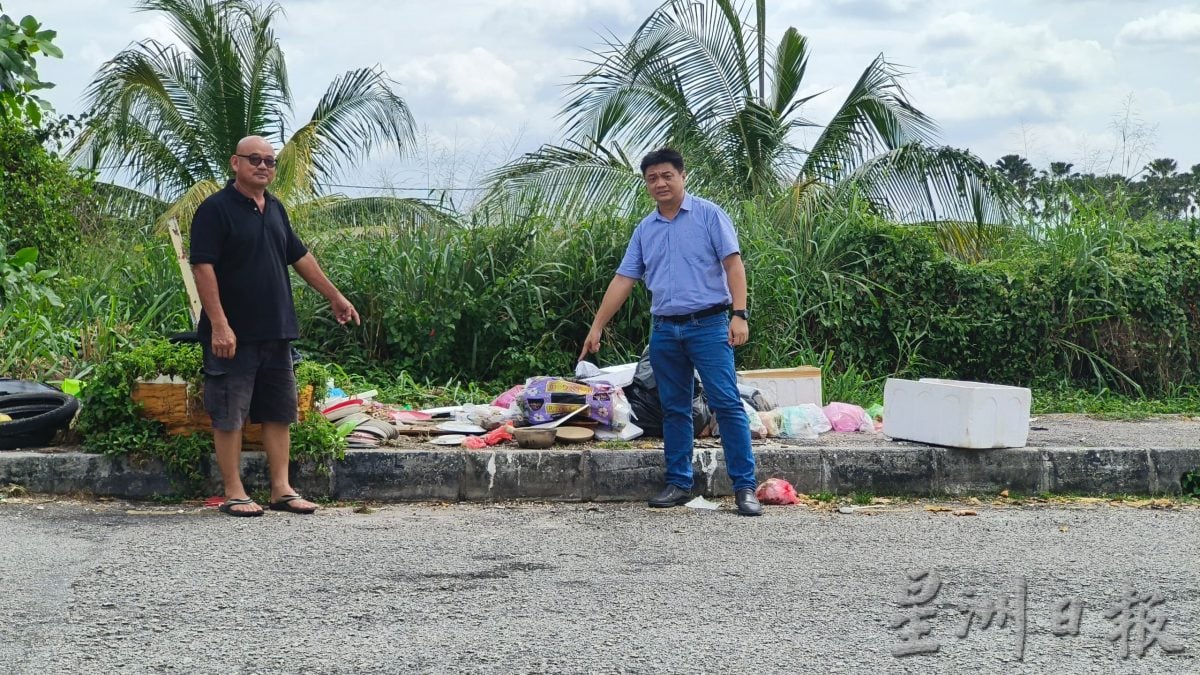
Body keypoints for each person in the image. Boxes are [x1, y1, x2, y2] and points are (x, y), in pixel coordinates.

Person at [579, 148, 760, 516]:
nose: (660, 183)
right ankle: (679, 482)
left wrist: (739, 315)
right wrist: (597, 326)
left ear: (682, 176)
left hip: (709, 326)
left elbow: (733, 264)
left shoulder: (709, 215)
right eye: (652, 178)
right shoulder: (646, 229)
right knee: (674, 408)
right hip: (664, 330)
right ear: (646, 184)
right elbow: (624, 278)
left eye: (667, 175)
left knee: (726, 404)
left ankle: (745, 488)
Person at [190, 135, 360, 517]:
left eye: (270, 161)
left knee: (279, 412)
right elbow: (202, 267)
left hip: (276, 330)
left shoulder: (276, 209)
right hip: (232, 334)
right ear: (235, 163)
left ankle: (281, 489)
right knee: (230, 413)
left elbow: (299, 256)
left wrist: (335, 296)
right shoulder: (215, 210)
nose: (263, 166)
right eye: (255, 160)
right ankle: (234, 491)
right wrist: (219, 324)